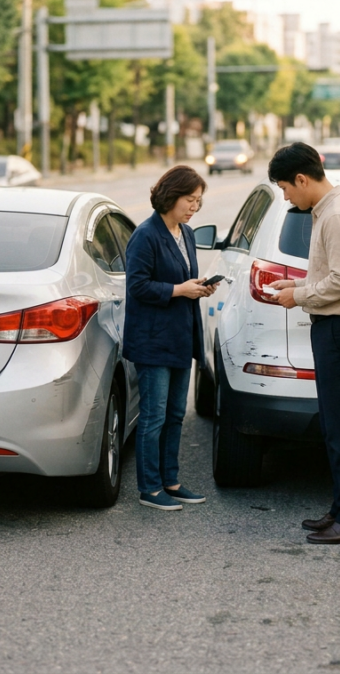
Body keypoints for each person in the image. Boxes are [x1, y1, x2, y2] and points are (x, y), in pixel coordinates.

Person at [265, 143, 340, 545]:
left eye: (285, 188)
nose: (286, 197)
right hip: (333, 329)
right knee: (333, 426)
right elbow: (333, 273)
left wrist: (298, 296)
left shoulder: (337, 216)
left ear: (301, 179)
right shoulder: (327, 212)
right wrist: (298, 283)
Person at [123, 165, 219, 511]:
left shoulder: (186, 233)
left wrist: (199, 288)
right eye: (189, 199)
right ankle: (150, 489)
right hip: (153, 341)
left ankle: (171, 482)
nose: (194, 207)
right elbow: (137, 286)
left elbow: (183, 280)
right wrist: (180, 290)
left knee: (176, 414)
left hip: (180, 337)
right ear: (171, 196)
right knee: (154, 418)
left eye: (198, 201)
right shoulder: (146, 235)